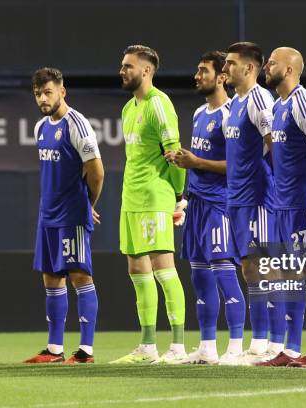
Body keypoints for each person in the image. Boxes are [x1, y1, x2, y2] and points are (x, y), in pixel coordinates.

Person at [166, 51, 246, 364]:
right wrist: (184, 192)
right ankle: (207, 346)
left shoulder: (230, 114)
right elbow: (197, 163)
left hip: (220, 205)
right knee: (199, 278)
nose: (197, 76)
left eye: (203, 71)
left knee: (225, 274)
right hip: (197, 204)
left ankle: (237, 347)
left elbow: (238, 165)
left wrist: (196, 161)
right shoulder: (200, 113)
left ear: (221, 77)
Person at [110, 45, 188, 364]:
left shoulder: (159, 104)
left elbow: (175, 154)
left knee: (163, 267)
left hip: (156, 196)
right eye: (122, 65)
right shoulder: (129, 108)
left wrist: (179, 197)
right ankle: (148, 346)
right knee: (136, 268)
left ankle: (179, 346)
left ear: (146, 70)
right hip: (131, 197)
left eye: (128, 66)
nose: (122, 70)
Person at [24, 67, 104, 364]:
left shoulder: (77, 124)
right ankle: (54, 349)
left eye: (47, 92)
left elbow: (96, 172)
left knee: (79, 275)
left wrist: (88, 205)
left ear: (62, 91)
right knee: (51, 277)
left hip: (71, 214)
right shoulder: (41, 127)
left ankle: (86, 351)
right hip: (47, 216)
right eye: (37, 94)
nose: (42, 99)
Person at [257, 47, 306, 367]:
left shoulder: (302, 102)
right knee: (289, 277)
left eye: (272, 63)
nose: (266, 67)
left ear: (288, 70)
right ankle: (292, 348)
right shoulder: (278, 106)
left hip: (302, 205)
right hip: (282, 205)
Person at [222, 42, 279, 365]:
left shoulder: (259, 99)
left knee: (263, 267)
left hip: (258, 197)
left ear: (249, 68)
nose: (226, 68)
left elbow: (275, 145)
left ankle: (270, 342)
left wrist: (268, 186)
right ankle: (259, 341)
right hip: (237, 198)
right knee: (249, 268)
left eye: (231, 63)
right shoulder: (233, 104)